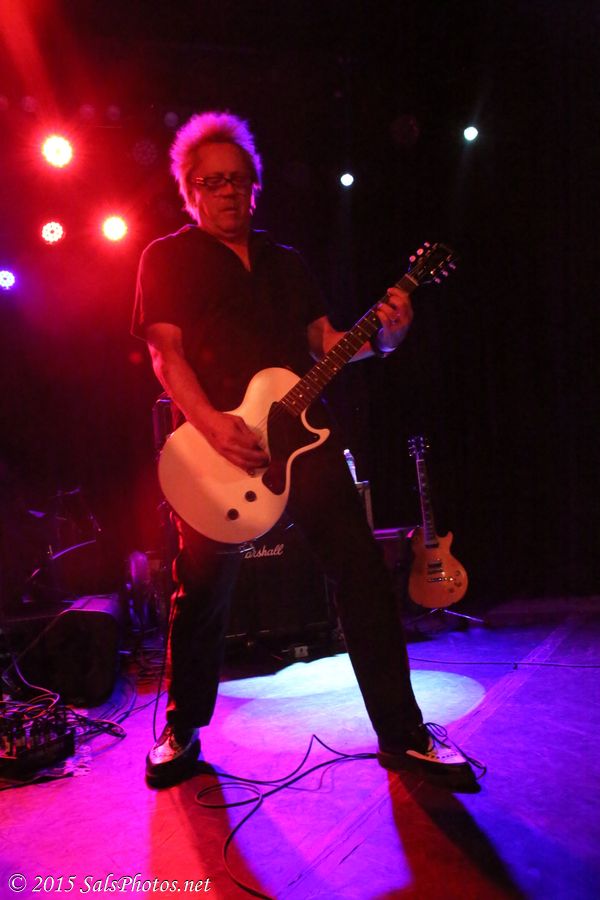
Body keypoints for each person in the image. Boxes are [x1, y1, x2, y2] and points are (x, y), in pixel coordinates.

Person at [132, 111, 476, 791]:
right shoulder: (165, 257)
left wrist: (386, 336)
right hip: (214, 448)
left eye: (239, 179)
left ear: (255, 187)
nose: (228, 191)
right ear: (189, 190)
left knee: (361, 571)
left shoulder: (286, 263)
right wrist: (211, 425)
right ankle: (182, 727)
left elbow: (328, 344)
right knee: (202, 593)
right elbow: (165, 354)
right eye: (213, 181)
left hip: (305, 439)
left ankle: (403, 732)